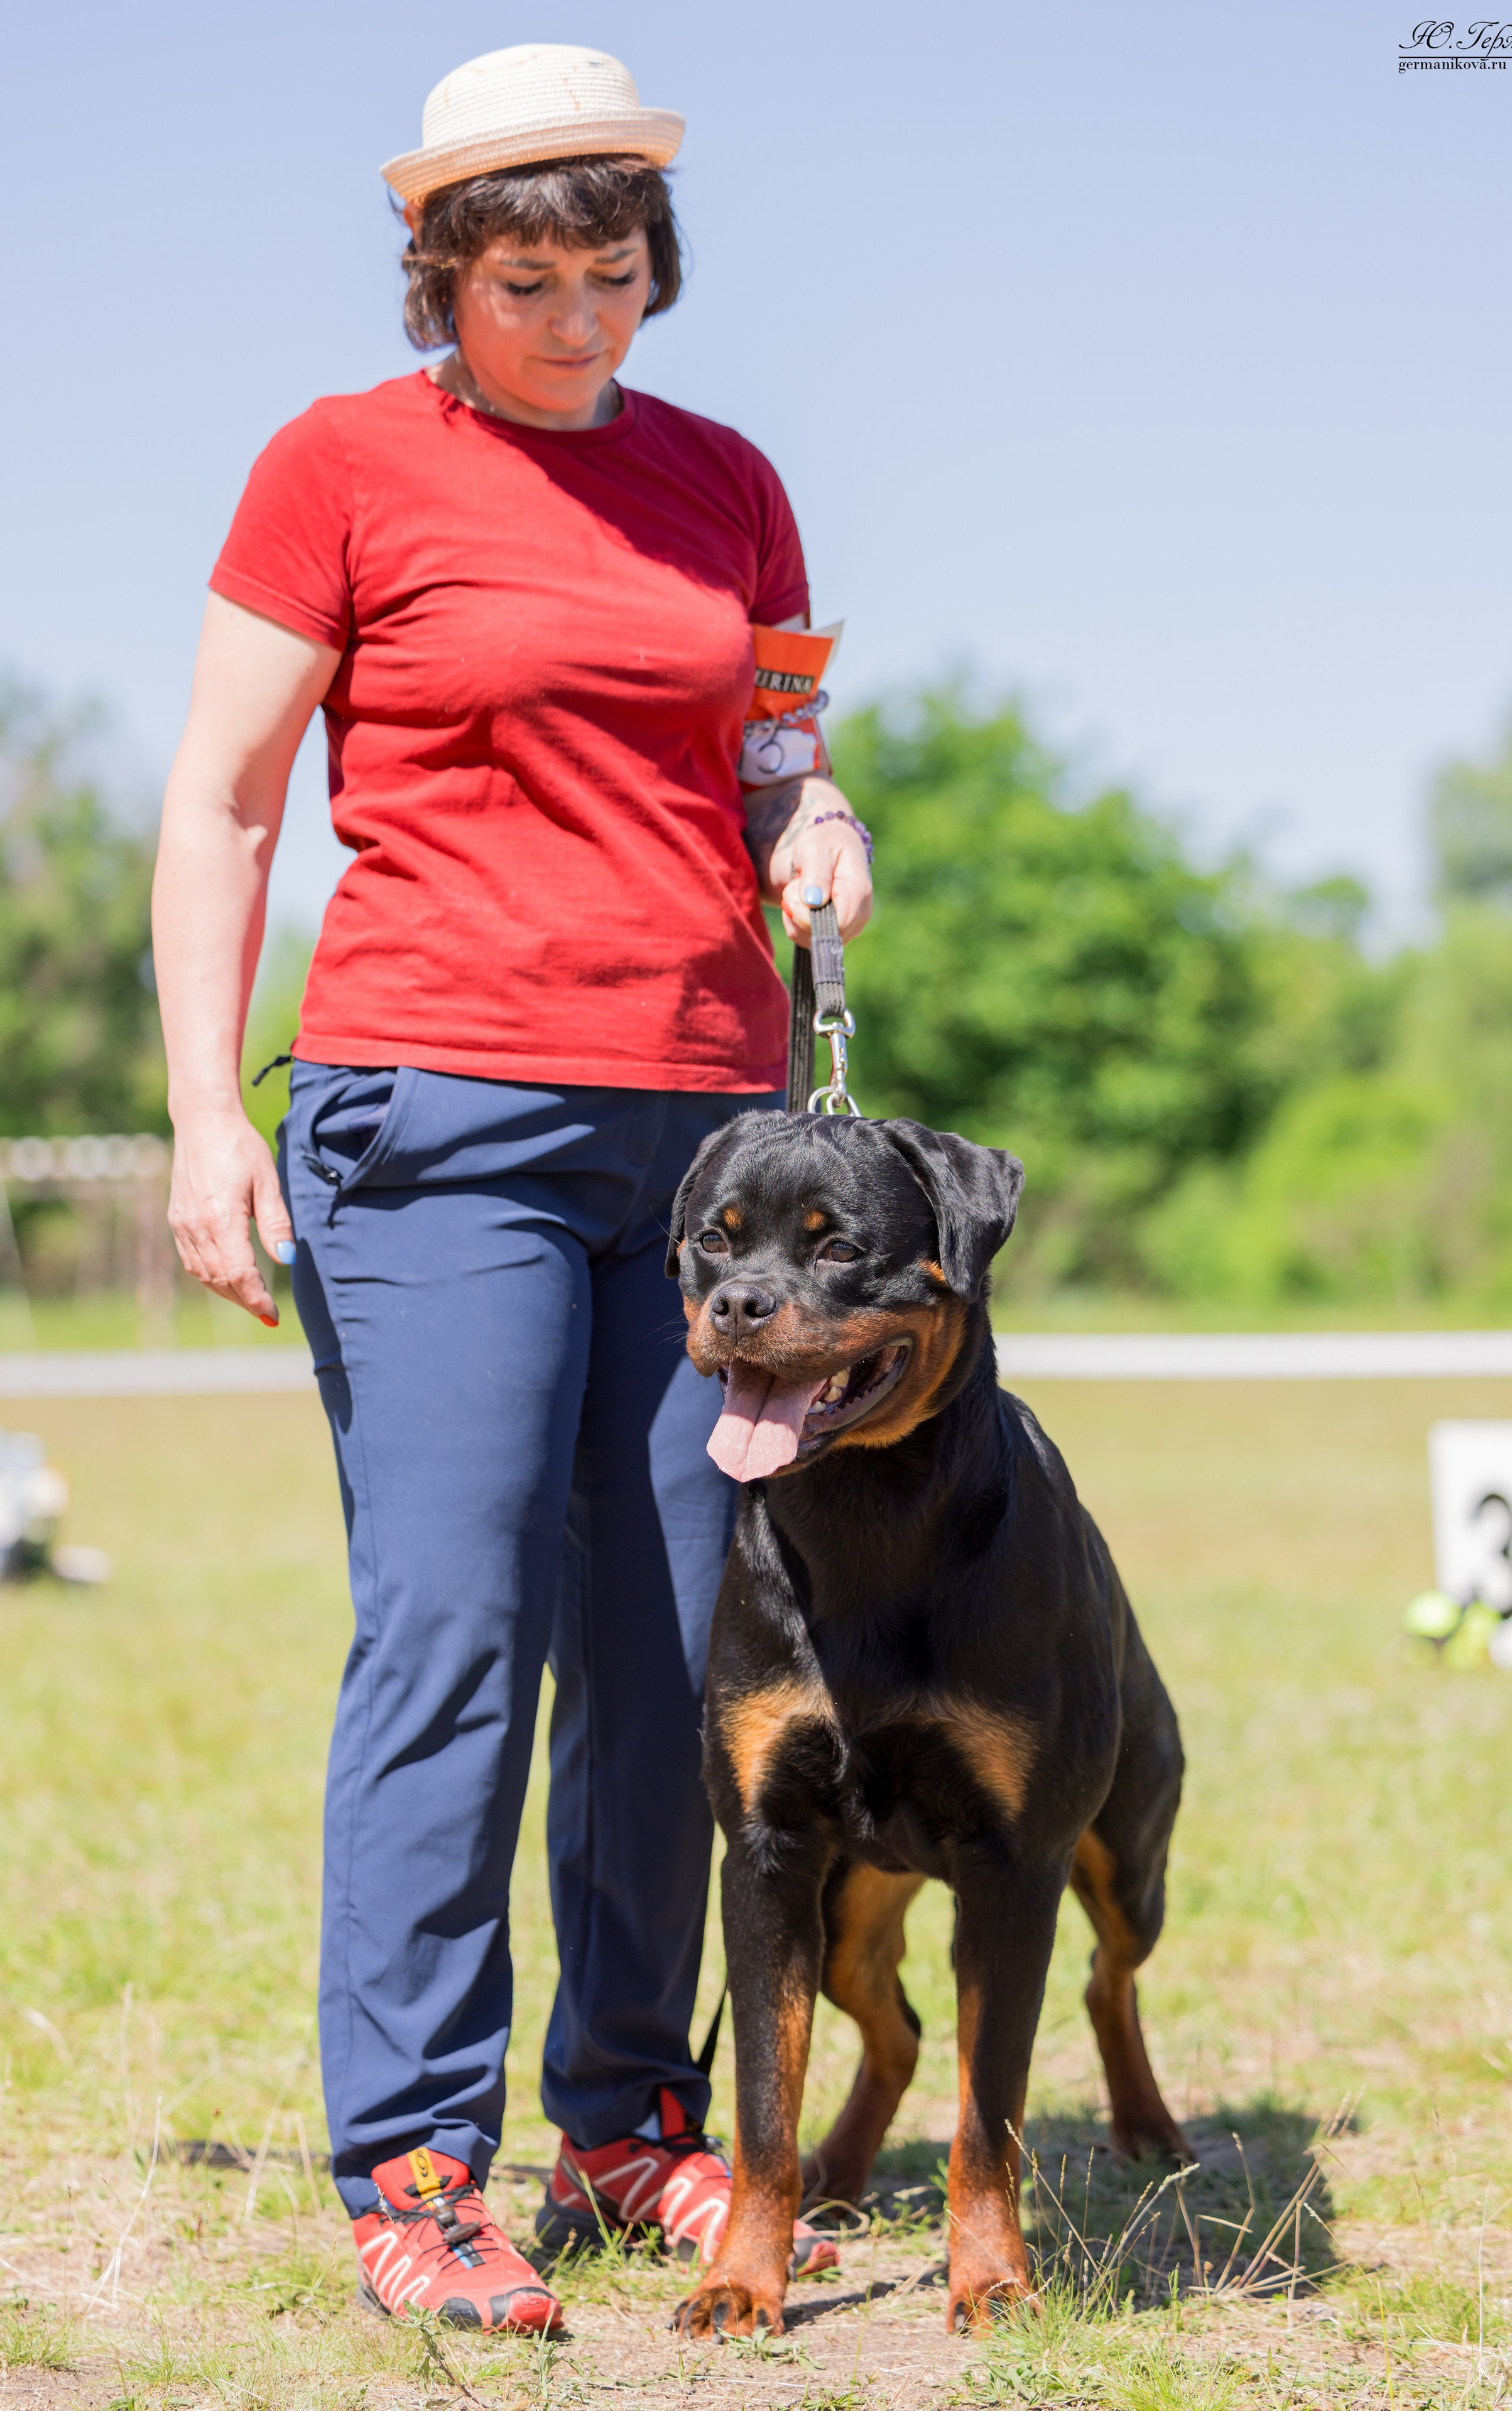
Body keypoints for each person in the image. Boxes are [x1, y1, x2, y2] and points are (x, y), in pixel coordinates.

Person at [151, 42, 873, 2336]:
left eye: (616, 275)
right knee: (457, 1629)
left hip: (704, 1146)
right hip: (429, 1117)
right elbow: (224, 806)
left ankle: (633, 2115)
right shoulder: (338, 471)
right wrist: (199, 1115)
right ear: (442, 279)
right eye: (528, 280)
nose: (577, 322)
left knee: (675, 1657)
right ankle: (414, 2162)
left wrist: (814, 824)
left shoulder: (726, 484)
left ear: (664, 266)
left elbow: (772, 740)